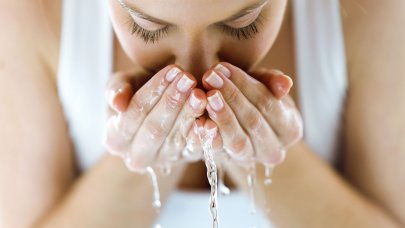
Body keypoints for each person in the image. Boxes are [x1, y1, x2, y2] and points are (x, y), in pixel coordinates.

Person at [1, 0, 404, 227]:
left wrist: (264, 154)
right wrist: (142, 161)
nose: (197, 73)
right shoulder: (30, 14)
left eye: (244, 23)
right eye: (147, 27)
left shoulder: (374, 12)